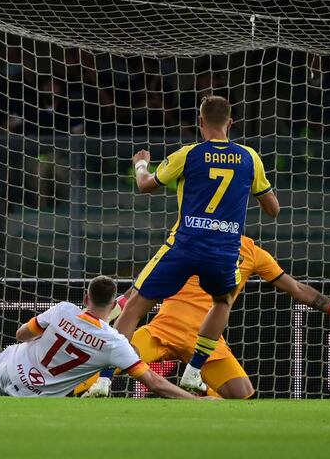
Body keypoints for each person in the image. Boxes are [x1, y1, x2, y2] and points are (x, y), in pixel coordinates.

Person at [114, 95, 280, 392]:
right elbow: (273, 209)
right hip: (224, 251)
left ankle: (102, 379)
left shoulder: (187, 154)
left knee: (134, 308)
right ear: (231, 123)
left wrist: (141, 164)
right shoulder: (249, 157)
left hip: (186, 246)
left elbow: (145, 185)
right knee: (222, 302)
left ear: (200, 122)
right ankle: (193, 370)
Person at [78, 236, 330, 398]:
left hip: (206, 340)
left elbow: (296, 288)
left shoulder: (253, 253)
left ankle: (191, 407)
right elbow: (139, 288)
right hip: (164, 329)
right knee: (94, 366)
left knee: (241, 392)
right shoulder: (186, 236)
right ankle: (60, 393)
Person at [0, 276, 202, 399]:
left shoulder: (63, 310)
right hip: (35, 398)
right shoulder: (114, 342)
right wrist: (195, 402)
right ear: (112, 306)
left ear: (86, 298)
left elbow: (20, 334)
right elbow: (155, 383)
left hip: (11, 369)